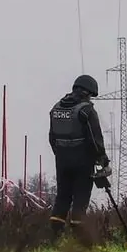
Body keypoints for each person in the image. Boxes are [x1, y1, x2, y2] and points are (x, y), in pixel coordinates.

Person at [47, 73, 110, 239]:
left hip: (62, 161)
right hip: (83, 162)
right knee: (81, 198)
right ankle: (78, 237)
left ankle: (55, 236)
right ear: (87, 92)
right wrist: (103, 161)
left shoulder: (56, 109)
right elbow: (96, 139)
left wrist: (61, 154)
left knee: (62, 197)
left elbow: (52, 138)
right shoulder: (86, 111)